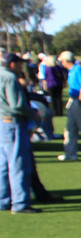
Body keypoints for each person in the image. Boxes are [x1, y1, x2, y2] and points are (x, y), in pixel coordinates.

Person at [1, 51, 39, 213]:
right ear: (12, 64)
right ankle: (20, 202)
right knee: (18, 163)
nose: (21, 66)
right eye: (19, 63)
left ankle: (3, 199)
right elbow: (17, 105)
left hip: (2, 122)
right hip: (13, 122)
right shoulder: (10, 78)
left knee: (3, 164)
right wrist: (33, 113)